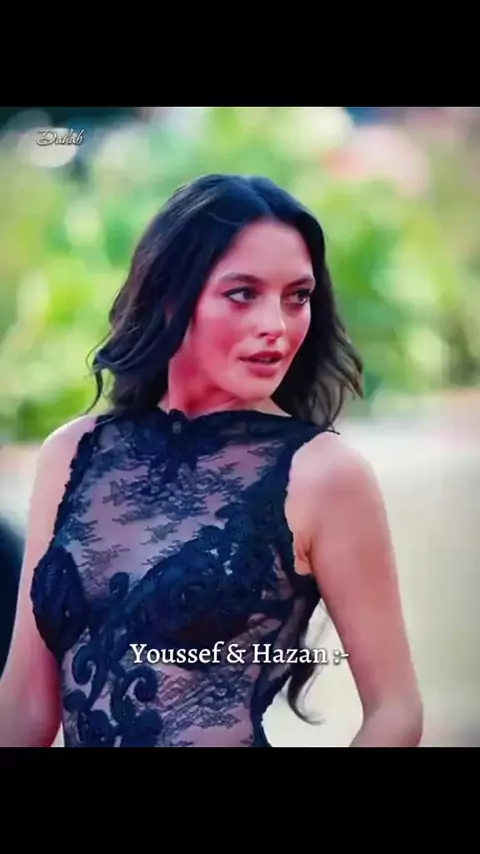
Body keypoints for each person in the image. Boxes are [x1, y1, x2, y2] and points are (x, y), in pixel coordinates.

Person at [0, 174, 423, 747]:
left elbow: (396, 711)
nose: (276, 325)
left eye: (297, 297)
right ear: (169, 297)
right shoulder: (71, 454)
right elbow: (26, 705)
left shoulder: (323, 474)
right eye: (243, 293)